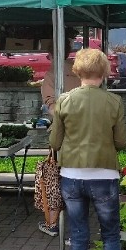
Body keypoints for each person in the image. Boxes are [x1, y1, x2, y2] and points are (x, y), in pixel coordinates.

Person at [49, 48, 126, 250]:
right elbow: (121, 142)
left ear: (78, 72)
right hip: (105, 175)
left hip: (71, 175)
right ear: (105, 71)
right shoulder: (114, 102)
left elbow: (54, 142)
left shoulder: (64, 100)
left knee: (79, 236)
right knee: (110, 236)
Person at [38, 35, 81, 237]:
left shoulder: (51, 74)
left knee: (56, 177)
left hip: (63, 133)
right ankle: (78, 222)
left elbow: (51, 105)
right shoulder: (79, 69)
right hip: (85, 133)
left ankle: (54, 222)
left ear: (50, 54)